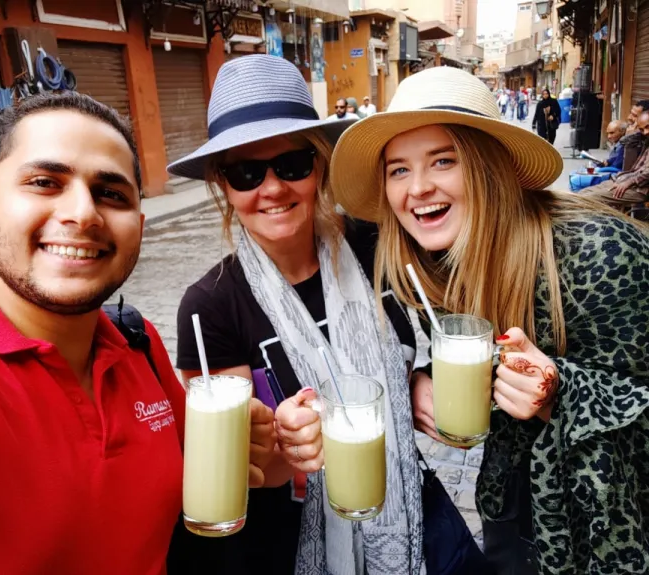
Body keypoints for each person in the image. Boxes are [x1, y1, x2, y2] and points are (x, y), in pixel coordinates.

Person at [0, 92, 276, 573]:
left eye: (112, 194)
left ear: (139, 226)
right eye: (45, 182)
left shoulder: (138, 340)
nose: (84, 214)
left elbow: (191, 469)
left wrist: (249, 447)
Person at [330, 66, 649, 575]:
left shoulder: (602, 254)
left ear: (487, 166)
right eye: (398, 169)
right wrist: (423, 378)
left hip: (609, 538)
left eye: (443, 160)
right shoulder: (440, 259)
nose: (418, 188)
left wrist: (559, 392)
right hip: (510, 516)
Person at [167, 54, 423, 575]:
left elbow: (443, 328)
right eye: (245, 172)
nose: (273, 188)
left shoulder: (377, 246)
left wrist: (423, 384)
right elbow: (247, 470)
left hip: (411, 514)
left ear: (319, 164)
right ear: (222, 183)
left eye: (292, 165)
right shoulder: (210, 305)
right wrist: (285, 442)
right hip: (288, 545)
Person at [580, 110, 649, 208]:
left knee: (588, 198)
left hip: (640, 189)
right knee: (582, 193)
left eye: (647, 127)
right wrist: (632, 131)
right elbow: (627, 142)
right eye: (642, 129)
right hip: (626, 180)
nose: (646, 132)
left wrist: (629, 182)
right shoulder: (645, 140)